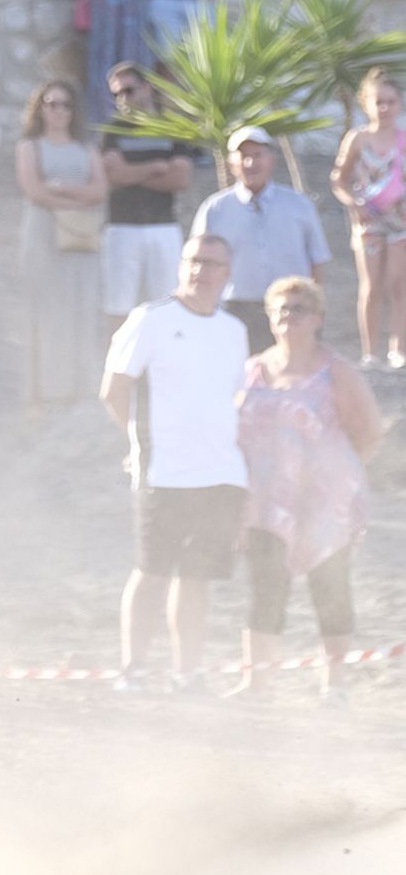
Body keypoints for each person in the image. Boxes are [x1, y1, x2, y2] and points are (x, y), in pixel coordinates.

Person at [100, 231, 244, 693]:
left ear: (228, 273)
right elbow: (114, 390)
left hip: (221, 473)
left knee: (197, 578)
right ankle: (134, 669)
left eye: (213, 264)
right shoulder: (150, 319)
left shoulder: (234, 330)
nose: (202, 272)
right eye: (194, 261)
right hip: (163, 473)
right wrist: (136, 442)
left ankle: (189, 673)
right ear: (182, 265)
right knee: (152, 571)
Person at [237, 274, 384, 694]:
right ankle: (256, 683)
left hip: (325, 502)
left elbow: (370, 431)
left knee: (330, 590)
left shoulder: (335, 371)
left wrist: (335, 474)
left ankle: (333, 685)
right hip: (266, 502)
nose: (288, 316)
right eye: (280, 309)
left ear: (318, 317)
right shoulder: (253, 369)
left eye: (298, 308)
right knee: (265, 589)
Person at [189, 127, 329, 355]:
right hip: (236, 308)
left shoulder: (299, 205)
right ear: (231, 163)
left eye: (257, 155)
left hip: (291, 309)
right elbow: (198, 261)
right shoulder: (215, 209)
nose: (250, 163)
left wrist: (314, 309)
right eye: (243, 156)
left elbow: (317, 260)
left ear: (271, 159)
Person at [16, 80, 107, 406]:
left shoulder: (86, 149)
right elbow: (34, 191)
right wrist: (76, 195)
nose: (58, 111)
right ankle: (41, 392)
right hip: (43, 239)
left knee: (81, 312)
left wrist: (58, 188)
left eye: (65, 104)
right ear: (40, 108)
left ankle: (81, 389)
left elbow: (99, 190)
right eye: (51, 104)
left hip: (80, 240)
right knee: (44, 313)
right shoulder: (30, 146)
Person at [100, 62, 194, 327]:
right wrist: (156, 167)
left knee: (165, 304)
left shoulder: (173, 127)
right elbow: (113, 176)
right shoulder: (113, 130)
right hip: (121, 227)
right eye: (116, 94)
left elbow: (181, 178)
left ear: (147, 88)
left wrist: (131, 172)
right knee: (118, 306)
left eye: (128, 91)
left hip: (162, 226)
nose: (123, 99)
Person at [330, 69, 406, 367]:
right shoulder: (357, 139)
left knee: (399, 285)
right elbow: (339, 179)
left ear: (399, 103)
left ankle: (398, 349)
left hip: (400, 222)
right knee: (371, 285)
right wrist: (354, 204)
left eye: (390, 101)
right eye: (379, 101)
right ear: (366, 103)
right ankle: (370, 352)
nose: (384, 108)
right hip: (367, 224)